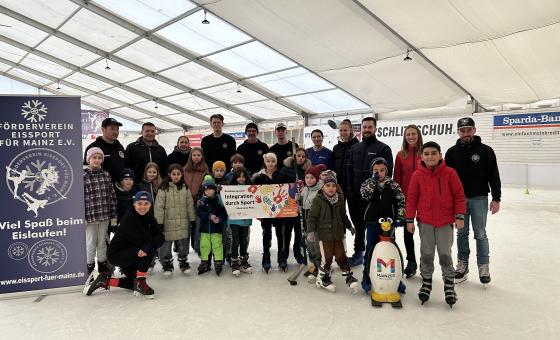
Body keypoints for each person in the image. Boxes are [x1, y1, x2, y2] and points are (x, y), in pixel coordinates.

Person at [406, 141, 466, 307]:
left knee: (445, 254)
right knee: (426, 253)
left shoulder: (449, 173)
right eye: (426, 154)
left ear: (440, 155)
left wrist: (459, 216)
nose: (430, 156)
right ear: (422, 157)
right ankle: (426, 282)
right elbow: (412, 198)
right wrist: (409, 219)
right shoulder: (417, 175)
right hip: (425, 222)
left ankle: (449, 284)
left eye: (433, 153)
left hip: (445, 222)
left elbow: (459, 196)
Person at [445, 117, 501, 285]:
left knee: (481, 233)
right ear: (458, 132)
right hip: (459, 201)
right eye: (462, 130)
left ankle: (483, 266)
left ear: (474, 130)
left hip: (479, 199)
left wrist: (496, 198)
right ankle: (462, 264)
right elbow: (446, 179)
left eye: (469, 130)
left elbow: (494, 175)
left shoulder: (486, 151)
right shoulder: (451, 153)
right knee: (461, 233)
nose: (466, 133)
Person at [83, 191, 165, 298]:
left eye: (146, 204)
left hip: (132, 253)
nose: (143, 207)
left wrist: (151, 242)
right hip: (117, 255)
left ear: (150, 204)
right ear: (134, 204)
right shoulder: (129, 219)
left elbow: (161, 237)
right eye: (140, 203)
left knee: (132, 283)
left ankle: (105, 281)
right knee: (149, 248)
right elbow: (146, 241)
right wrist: (150, 243)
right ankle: (140, 281)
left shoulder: (148, 216)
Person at [346, 116, 393, 267]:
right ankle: (359, 253)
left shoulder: (383, 148)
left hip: (373, 198)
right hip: (355, 196)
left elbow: (388, 174)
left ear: (375, 129)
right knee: (359, 226)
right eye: (364, 127)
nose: (367, 130)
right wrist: (349, 190)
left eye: (370, 127)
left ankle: (375, 253)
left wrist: (379, 194)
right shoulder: (354, 148)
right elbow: (349, 170)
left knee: (373, 226)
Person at [360, 157, 406, 294]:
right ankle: (367, 277)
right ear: (371, 171)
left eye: (382, 170)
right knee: (370, 249)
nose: (379, 173)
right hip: (372, 222)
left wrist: (401, 216)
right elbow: (364, 195)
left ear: (387, 170)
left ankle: (396, 279)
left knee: (391, 249)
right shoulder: (368, 183)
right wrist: (372, 181)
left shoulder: (393, 185)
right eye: (376, 170)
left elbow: (401, 201)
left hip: (388, 223)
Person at [306, 170, 358, 293]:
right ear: (322, 186)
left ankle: (348, 276)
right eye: (328, 185)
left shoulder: (339, 199)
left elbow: (343, 215)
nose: (331, 188)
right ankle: (322, 278)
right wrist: (310, 232)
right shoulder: (318, 200)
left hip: (338, 234)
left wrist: (349, 226)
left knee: (342, 256)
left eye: (333, 185)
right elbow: (312, 217)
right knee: (327, 258)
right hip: (324, 236)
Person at [154, 164, 196, 276]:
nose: (176, 176)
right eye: (174, 174)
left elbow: (189, 204)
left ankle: (183, 260)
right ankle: (166, 263)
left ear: (182, 174)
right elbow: (159, 206)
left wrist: (192, 219)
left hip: (183, 221)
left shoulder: (185, 187)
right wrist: (159, 222)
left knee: (183, 242)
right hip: (168, 222)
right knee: (166, 244)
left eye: (178, 174)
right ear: (169, 174)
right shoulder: (163, 188)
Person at [393, 124, 423, 278]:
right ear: (405, 137)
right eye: (408, 134)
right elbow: (396, 178)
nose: (411, 137)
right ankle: (411, 261)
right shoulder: (400, 155)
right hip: (406, 199)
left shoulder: (425, 153)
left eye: (413, 134)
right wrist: (397, 198)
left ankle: (425, 263)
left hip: (424, 199)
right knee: (407, 231)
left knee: (425, 232)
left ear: (418, 135)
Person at [83, 147, 117, 276]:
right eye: (94, 157)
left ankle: (102, 265)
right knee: (90, 242)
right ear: (88, 159)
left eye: (99, 158)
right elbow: (79, 198)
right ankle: (89, 266)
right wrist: (83, 216)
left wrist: (113, 216)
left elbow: (112, 196)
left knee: (102, 241)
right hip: (90, 217)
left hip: (104, 215)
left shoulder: (106, 174)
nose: (96, 160)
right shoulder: (83, 175)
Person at [279, 147, 311, 267]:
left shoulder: (307, 171)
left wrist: (303, 186)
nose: (301, 158)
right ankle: (284, 255)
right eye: (299, 155)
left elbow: (310, 184)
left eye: (303, 156)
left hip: (301, 206)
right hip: (288, 206)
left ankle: (298, 253)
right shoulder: (286, 169)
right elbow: (279, 183)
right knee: (287, 231)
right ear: (294, 156)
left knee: (299, 232)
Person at [252, 152, 283, 272]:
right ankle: (266, 257)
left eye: (273, 161)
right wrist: (257, 212)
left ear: (276, 162)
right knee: (266, 234)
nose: (270, 163)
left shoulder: (281, 175)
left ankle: (281, 257)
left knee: (280, 234)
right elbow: (254, 195)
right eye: (268, 161)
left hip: (279, 212)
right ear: (265, 162)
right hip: (265, 212)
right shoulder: (258, 177)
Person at [197, 176, 228, 276]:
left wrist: (219, 218)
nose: (209, 191)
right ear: (204, 190)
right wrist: (209, 216)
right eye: (207, 189)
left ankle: (218, 262)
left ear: (215, 190)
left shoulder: (218, 201)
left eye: (211, 189)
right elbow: (200, 213)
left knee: (217, 245)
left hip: (216, 229)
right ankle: (205, 262)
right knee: (204, 246)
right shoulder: (201, 201)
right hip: (205, 230)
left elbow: (224, 212)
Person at [228, 167, 253, 276]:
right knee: (236, 240)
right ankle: (234, 261)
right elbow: (223, 200)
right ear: (235, 178)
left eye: (243, 176)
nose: (241, 178)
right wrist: (220, 193)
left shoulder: (250, 188)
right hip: (234, 220)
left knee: (244, 240)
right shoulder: (230, 188)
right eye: (239, 176)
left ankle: (243, 260)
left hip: (245, 220)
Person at [183, 147, 209, 255]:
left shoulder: (205, 170)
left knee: (199, 226)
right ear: (191, 157)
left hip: (199, 203)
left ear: (202, 157)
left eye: (198, 155)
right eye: (194, 155)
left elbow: (206, 188)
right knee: (186, 227)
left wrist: (201, 199)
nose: (196, 157)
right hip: (186, 203)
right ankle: (183, 251)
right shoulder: (185, 170)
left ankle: (198, 248)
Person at [300, 165, 323, 281]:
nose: (309, 180)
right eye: (307, 177)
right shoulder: (305, 188)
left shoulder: (319, 191)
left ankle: (319, 268)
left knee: (316, 247)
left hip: (315, 225)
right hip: (306, 223)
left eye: (312, 178)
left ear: (317, 179)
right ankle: (313, 266)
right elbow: (302, 201)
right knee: (309, 246)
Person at [332, 119, 359, 200]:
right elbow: (334, 166)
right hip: (338, 185)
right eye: (341, 130)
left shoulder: (357, 146)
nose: (343, 133)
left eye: (345, 130)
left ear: (351, 130)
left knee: (353, 211)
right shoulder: (336, 148)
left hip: (352, 186)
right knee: (338, 210)